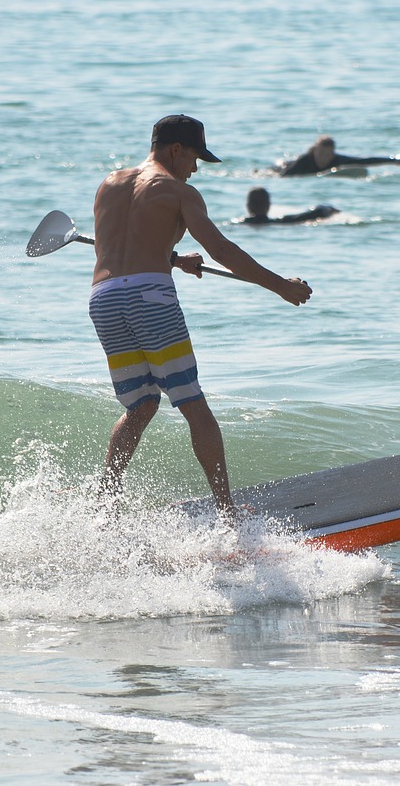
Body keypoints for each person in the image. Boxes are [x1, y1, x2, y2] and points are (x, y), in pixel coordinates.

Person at [88, 114, 312, 523]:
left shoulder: (109, 184)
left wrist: (172, 259)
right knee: (193, 403)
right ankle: (228, 513)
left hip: (103, 298)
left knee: (139, 406)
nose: (194, 170)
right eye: (195, 159)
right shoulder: (177, 192)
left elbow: (119, 251)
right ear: (176, 149)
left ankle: (105, 502)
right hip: (149, 298)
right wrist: (279, 285)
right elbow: (222, 250)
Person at [273, 135, 400, 177]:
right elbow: (284, 176)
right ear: (315, 151)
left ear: (333, 154)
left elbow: (365, 161)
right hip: (285, 166)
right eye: (320, 153)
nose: (323, 158)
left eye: (327, 155)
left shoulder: (338, 160)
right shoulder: (303, 161)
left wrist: (394, 161)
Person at [240, 187, 339, 225]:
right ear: (269, 205)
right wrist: (327, 209)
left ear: (248, 206)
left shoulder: (238, 224)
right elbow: (309, 215)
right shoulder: (280, 222)